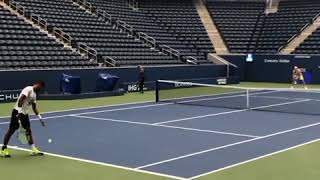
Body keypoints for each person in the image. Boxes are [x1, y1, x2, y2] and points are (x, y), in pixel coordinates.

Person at [1, 81, 45, 158]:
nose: (40, 89)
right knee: (11, 130)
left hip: (24, 114)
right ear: (38, 84)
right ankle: (3, 149)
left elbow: (34, 108)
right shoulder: (28, 89)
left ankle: (33, 149)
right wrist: (19, 112)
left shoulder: (34, 95)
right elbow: (21, 100)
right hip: (17, 111)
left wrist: (40, 117)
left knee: (28, 130)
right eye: (40, 87)